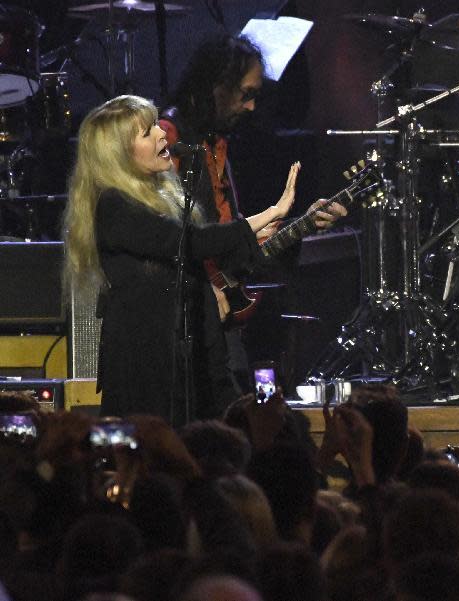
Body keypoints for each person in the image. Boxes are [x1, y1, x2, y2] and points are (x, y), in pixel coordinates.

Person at [62, 95, 299, 424]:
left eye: (157, 124)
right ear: (119, 155)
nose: (162, 134)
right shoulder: (113, 206)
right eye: (148, 132)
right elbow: (190, 243)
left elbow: (205, 251)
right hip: (148, 364)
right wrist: (269, 212)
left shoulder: (166, 197)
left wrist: (297, 224)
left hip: (194, 353)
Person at [159, 34, 347, 393]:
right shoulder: (168, 138)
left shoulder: (216, 143)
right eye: (246, 94)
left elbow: (231, 235)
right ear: (216, 86)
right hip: (182, 319)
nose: (251, 107)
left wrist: (301, 223)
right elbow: (165, 236)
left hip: (218, 318)